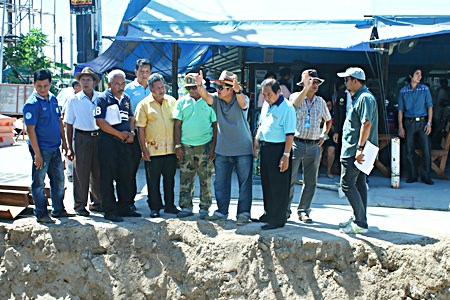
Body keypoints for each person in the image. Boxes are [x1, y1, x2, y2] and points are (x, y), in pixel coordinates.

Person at [195, 70, 254, 225]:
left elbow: (243, 103)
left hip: (243, 149)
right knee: (220, 183)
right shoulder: (216, 100)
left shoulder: (242, 98)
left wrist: (238, 90)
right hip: (222, 149)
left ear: (231, 89)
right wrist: (200, 85)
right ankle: (221, 211)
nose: (218, 90)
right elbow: (205, 95)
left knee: (245, 183)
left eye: (221, 87)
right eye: (217, 86)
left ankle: (243, 213)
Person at [23, 69, 73, 223]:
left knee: (58, 180)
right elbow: (30, 130)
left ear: (50, 84)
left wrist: (64, 143)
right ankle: (41, 213)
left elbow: (59, 121)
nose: (42, 89)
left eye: (45, 86)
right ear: (34, 84)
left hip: (55, 148)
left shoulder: (52, 99)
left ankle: (58, 209)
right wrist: (37, 154)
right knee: (39, 182)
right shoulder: (32, 104)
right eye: (39, 86)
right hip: (41, 149)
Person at [95, 69, 142, 222]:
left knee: (126, 175)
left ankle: (125, 207)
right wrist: (118, 134)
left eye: (122, 83)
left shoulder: (126, 98)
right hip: (108, 142)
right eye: (117, 84)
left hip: (125, 143)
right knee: (107, 177)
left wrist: (131, 133)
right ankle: (110, 210)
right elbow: (100, 122)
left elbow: (131, 117)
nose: (120, 87)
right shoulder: (102, 99)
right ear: (109, 84)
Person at [336, 67, 378, 234]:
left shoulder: (365, 98)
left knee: (347, 184)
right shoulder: (360, 97)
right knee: (359, 184)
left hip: (356, 150)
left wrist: (359, 148)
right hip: (356, 148)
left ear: (355, 80)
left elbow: (366, 123)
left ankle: (360, 222)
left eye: (347, 79)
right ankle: (360, 219)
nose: (344, 82)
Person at [288, 69, 332, 223]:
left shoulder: (320, 101)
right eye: (312, 81)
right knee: (290, 179)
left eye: (317, 82)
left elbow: (328, 120)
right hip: (297, 143)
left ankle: (304, 210)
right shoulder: (295, 96)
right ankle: (285, 210)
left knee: (311, 181)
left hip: (314, 145)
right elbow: (294, 105)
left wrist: (324, 135)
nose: (315, 85)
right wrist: (305, 88)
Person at [135, 73, 180, 218]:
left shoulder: (172, 101)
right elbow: (140, 128)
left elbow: (178, 123)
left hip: (170, 148)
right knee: (153, 181)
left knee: (170, 179)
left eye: (163, 87)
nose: (161, 90)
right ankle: (154, 207)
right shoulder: (143, 105)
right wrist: (143, 149)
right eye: (158, 88)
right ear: (151, 89)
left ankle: (170, 205)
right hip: (153, 150)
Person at [172, 73, 217, 218]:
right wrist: (178, 146)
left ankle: (205, 207)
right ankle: (186, 206)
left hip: (204, 145)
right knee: (185, 177)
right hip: (186, 147)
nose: (192, 90)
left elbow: (215, 126)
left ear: (201, 86)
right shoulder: (181, 102)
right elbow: (177, 125)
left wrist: (213, 147)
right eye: (189, 88)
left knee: (206, 178)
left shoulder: (209, 102)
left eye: (194, 87)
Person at [254, 78, 296, 230]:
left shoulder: (287, 108)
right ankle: (269, 213)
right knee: (267, 183)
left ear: (279, 92)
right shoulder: (266, 105)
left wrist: (285, 155)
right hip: (266, 148)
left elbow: (290, 134)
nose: (266, 97)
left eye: (269, 94)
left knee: (278, 185)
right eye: (264, 94)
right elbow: (262, 124)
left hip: (279, 149)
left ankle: (278, 219)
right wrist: (256, 141)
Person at [64, 67, 102, 216]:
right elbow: (68, 124)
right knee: (81, 173)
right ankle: (80, 205)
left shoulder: (101, 98)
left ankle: (97, 202)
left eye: (89, 79)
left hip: (99, 137)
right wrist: (68, 147)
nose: (86, 82)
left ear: (94, 82)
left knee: (98, 171)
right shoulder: (73, 100)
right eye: (83, 80)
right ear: (79, 82)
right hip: (82, 137)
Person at [124, 58, 152, 211]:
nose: (144, 74)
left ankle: (154, 202)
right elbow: (128, 114)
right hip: (134, 134)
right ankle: (129, 201)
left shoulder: (154, 88)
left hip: (152, 135)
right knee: (131, 169)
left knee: (152, 170)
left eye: (147, 72)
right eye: (141, 71)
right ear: (136, 72)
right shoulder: (128, 89)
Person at [398, 67, 434, 185]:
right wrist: (400, 126)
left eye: (420, 74)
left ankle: (426, 176)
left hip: (423, 121)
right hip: (409, 122)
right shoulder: (403, 91)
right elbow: (400, 110)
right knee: (408, 149)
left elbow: (429, 106)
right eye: (417, 74)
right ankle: (412, 175)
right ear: (410, 76)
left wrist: (429, 122)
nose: (420, 76)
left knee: (426, 149)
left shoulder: (425, 89)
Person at [58, 80, 81, 183]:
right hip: (71, 128)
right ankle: (70, 173)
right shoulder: (70, 99)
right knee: (70, 150)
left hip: (82, 130)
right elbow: (63, 115)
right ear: (76, 87)